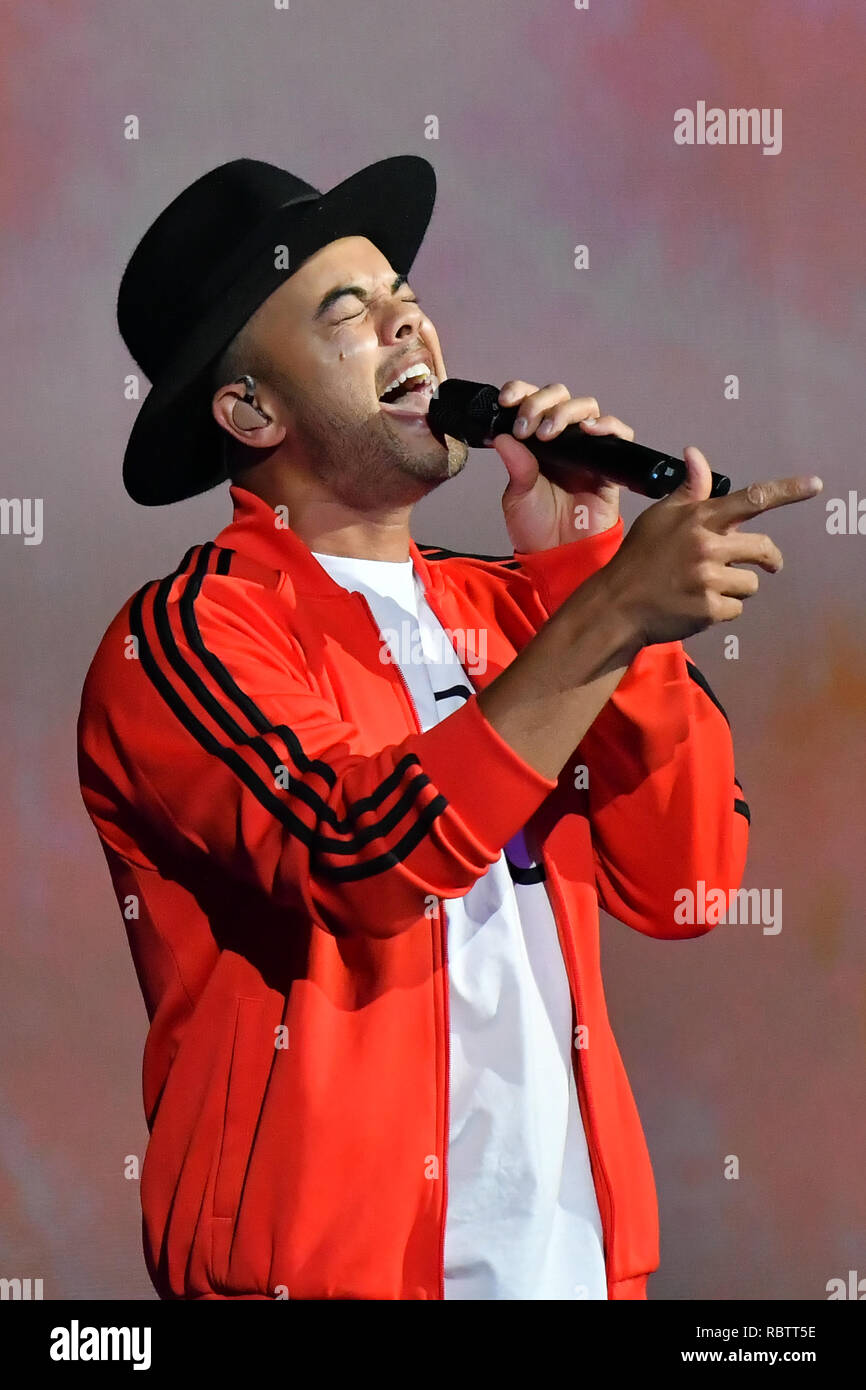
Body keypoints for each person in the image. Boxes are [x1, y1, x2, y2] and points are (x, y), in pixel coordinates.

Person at [77, 155, 821, 1301]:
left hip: (572, 1273)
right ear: (249, 407)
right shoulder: (185, 636)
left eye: (402, 291)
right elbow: (359, 853)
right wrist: (611, 608)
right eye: (348, 311)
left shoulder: (518, 608)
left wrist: (579, 564)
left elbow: (686, 884)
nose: (405, 318)